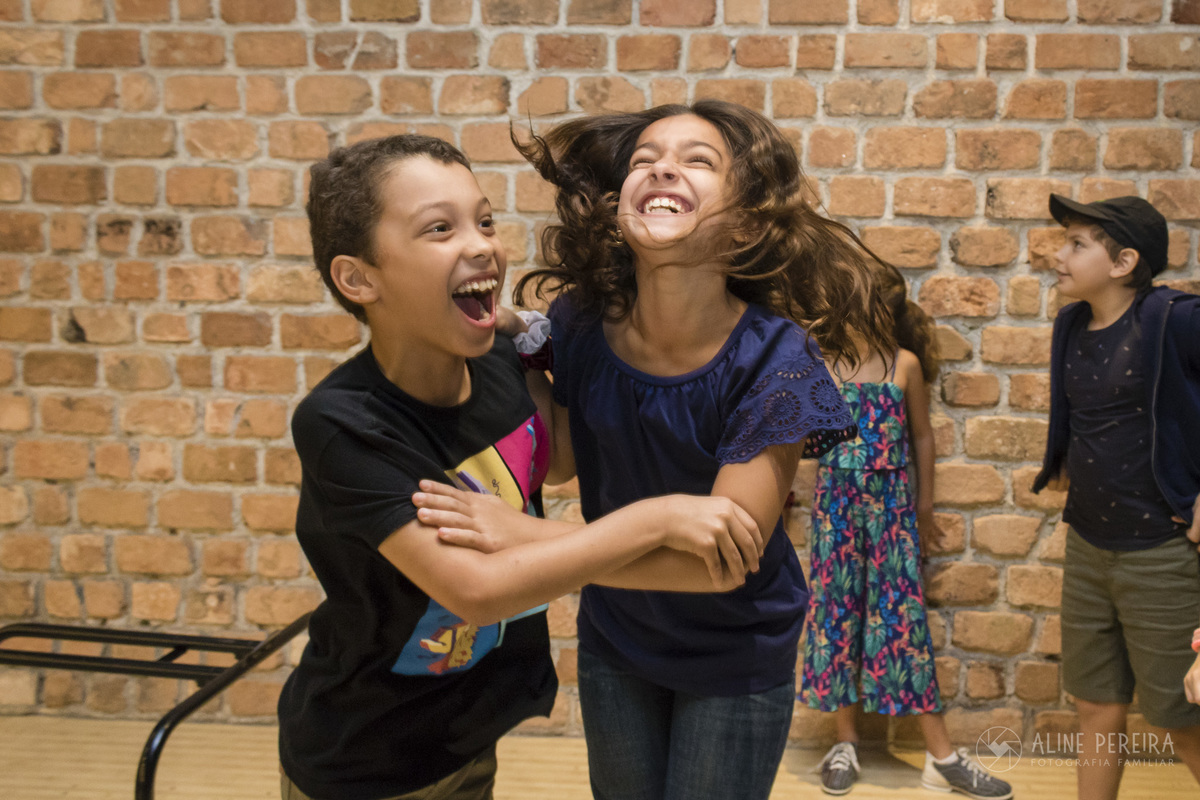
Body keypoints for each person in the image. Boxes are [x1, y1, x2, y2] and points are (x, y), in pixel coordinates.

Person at [418, 99, 886, 800]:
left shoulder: (775, 361)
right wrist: (509, 346)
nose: (663, 166)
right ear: (617, 210)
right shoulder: (579, 321)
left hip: (736, 651)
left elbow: (721, 566)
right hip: (621, 637)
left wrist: (531, 542)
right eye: (645, 160)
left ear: (748, 222)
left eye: (698, 160)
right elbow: (565, 460)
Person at [276, 133, 767, 800]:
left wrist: (544, 339)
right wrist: (662, 517)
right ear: (358, 277)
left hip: (469, 728)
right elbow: (477, 590)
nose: (481, 244)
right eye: (440, 229)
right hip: (368, 757)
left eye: (484, 221)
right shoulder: (343, 423)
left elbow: (555, 462)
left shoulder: (502, 367)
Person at [798, 264, 1013, 799]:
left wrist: (923, 507)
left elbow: (922, 438)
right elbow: (797, 439)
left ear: (876, 311)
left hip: (892, 506)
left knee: (901, 622)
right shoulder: (821, 364)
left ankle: (939, 757)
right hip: (835, 508)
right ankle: (844, 742)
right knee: (835, 616)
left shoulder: (905, 365)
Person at [1032, 194, 1200, 800]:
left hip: (1162, 551)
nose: (1059, 254)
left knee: (1182, 720)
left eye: (1078, 244)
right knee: (1095, 707)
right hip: (1089, 544)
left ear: (1125, 260)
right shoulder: (1071, 323)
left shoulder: (1176, 317)